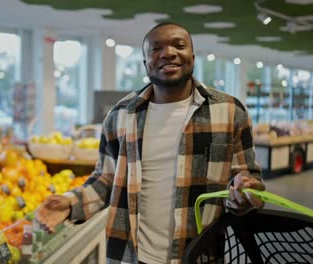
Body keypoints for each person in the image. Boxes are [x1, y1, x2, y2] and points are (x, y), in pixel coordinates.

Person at [36, 22, 265, 264]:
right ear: (146, 63)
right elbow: (106, 180)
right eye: (156, 49)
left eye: (179, 45)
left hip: (199, 255)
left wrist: (245, 192)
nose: (168, 53)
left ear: (193, 57)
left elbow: (247, 180)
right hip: (131, 256)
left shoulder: (229, 112)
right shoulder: (121, 115)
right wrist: (70, 204)